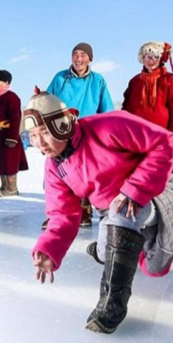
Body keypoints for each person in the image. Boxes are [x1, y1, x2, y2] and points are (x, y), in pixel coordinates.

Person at [24, 90, 173, 334]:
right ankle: (115, 247)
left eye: (44, 132)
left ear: (62, 125)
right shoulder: (55, 166)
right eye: (33, 135)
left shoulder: (108, 125)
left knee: (154, 266)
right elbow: (62, 214)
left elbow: (167, 142)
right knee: (107, 242)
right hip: (112, 209)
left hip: (157, 188)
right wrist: (49, 248)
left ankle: (112, 307)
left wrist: (135, 189)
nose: (39, 143)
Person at [44, 42, 115, 228]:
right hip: (62, 131)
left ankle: (84, 210)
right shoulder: (60, 78)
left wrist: (105, 132)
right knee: (58, 171)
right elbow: (46, 102)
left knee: (84, 172)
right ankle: (57, 212)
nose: (79, 58)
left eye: (83, 55)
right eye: (75, 54)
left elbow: (106, 109)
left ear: (90, 58)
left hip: (87, 132)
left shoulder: (97, 80)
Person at [0, 70, 28, 197]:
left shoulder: (12, 97)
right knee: (0, 162)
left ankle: (11, 188)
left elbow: (16, 118)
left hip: (7, 136)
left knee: (9, 162)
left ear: (7, 82)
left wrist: (12, 138)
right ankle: (3, 186)